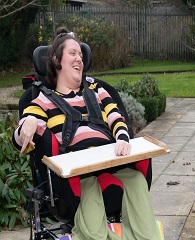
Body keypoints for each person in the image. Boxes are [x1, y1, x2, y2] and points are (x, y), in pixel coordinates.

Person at [13, 27, 161, 240]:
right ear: (57, 60)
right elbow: (19, 139)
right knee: (93, 228)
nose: (79, 59)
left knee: (137, 179)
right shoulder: (42, 99)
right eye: (72, 53)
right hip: (78, 173)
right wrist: (28, 122)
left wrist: (122, 137)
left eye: (81, 55)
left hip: (111, 162)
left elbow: (117, 118)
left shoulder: (98, 90)